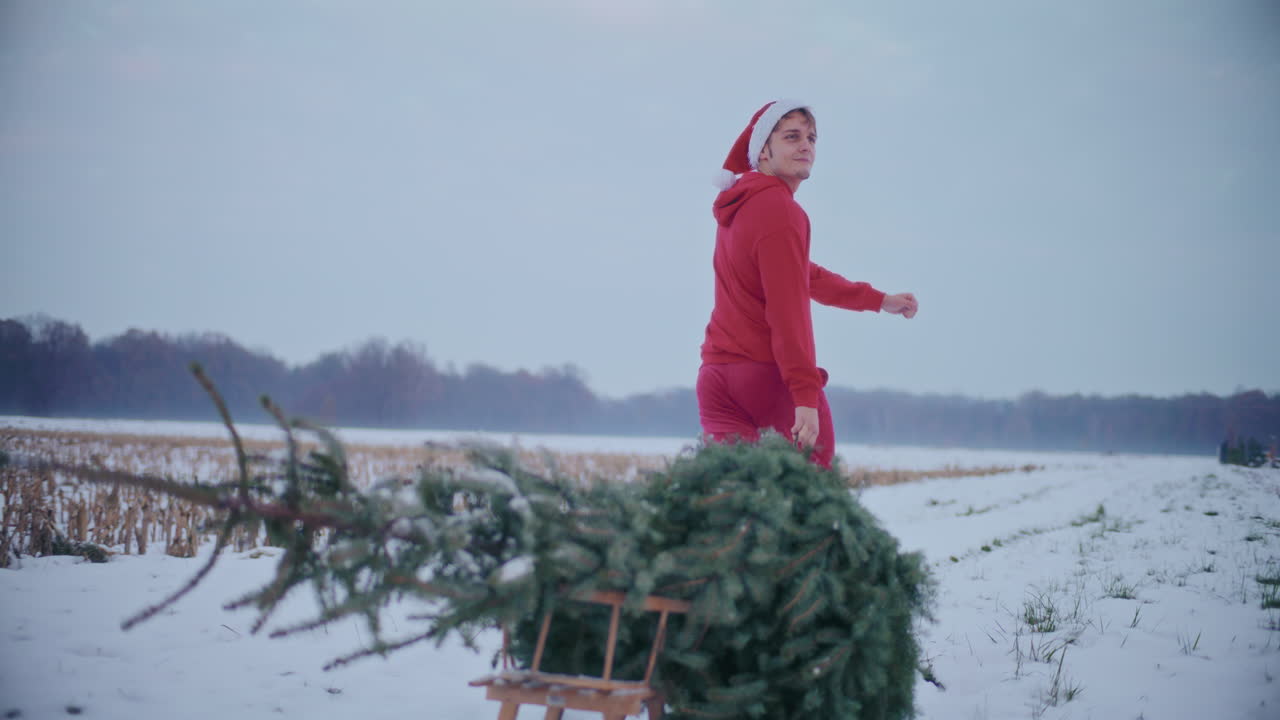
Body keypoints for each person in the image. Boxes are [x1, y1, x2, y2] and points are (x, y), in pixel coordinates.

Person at [698, 100, 918, 468]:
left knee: (731, 506)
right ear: (763, 151)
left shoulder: (739, 204)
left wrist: (879, 300)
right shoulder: (780, 210)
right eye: (792, 137)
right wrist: (804, 395)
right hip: (765, 377)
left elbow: (801, 274)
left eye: (812, 138)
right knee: (810, 494)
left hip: (718, 378)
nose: (806, 146)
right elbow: (788, 311)